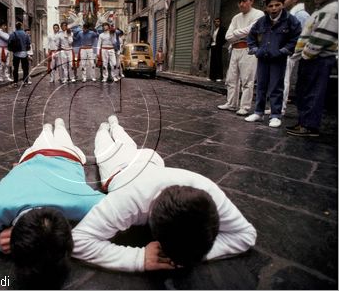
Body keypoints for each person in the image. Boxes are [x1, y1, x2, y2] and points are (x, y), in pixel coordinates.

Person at [0, 118, 104, 288]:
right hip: (60, 155)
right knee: (57, 132)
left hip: (41, 156)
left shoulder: (83, 203)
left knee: (53, 132)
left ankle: (52, 126)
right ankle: (54, 126)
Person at [71, 115, 257, 272]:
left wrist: (193, 256)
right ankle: (108, 124)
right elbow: (77, 241)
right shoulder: (128, 199)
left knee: (125, 139)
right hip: (117, 167)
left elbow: (246, 235)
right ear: (150, 219)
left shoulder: (207, 190)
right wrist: (139, 258)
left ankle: (114, 124)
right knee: (102, 140)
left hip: (148, 160)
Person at [287, 0, 338, 137]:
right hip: (311, 58)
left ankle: (309, 125)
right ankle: (304, 122)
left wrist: (307, 54)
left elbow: (322, 37)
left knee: (313, 92)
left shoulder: (331, 10)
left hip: (317, 59)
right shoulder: (321, 10)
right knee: (305, 91)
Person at [244, 0, 302, 128]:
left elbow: (296, 37)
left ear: (282, 5)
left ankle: (275, 115)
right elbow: (251, 36)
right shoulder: (262, 21)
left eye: (277, 5)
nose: (274, 8)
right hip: (263, 58)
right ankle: (258, 112)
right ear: (267, 7)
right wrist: (255, 49)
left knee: (276, 87)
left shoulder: (290, 20)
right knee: (261, 86)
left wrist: (284, 51)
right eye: (271, 6)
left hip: (278, 59)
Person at [217, 0, 264, 116]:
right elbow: (228, 36)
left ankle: (245, 106)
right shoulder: (236, 17)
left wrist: (236, 33)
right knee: (232, 78)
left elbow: (252, 30)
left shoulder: (258, 14)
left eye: (244, 1)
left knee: (247, 79)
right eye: (240, 2)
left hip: (249, 50)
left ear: (251, 1)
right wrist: (241, 35)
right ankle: (231, 103)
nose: (241, 4)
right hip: (235, 49)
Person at [280, 0, 311, 114]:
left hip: (292, 51)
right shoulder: (293, 14)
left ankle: (280, 108)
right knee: (281, 79)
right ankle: (278, 106)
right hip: (289, 50)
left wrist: (290, 51)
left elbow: (303, 36)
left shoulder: (301, 15)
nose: (284, 1)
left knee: (284, 79)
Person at [8, 21, 31, 87]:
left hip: (16, 54)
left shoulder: (13, 34)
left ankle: (15, 82)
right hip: (24, 53)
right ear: (21, 26)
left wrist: (12, 49)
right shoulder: (25, 34)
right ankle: (25, 82)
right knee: (25, 68)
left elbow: (9, 42)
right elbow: (28, 43)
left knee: (15, 68)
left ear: (16, 27)